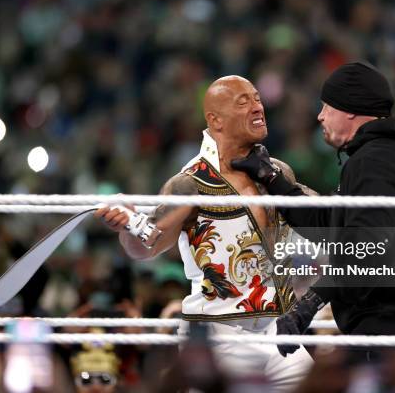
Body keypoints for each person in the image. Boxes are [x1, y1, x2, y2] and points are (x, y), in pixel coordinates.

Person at [231, 62, 395, 383]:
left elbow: (364, 251)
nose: (320, 116)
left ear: (350, 110)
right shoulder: (391, 153)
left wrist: (307, 305)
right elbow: (328, 225)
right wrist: (272, 178)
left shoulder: (373, 161)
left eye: (327, 106)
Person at [95, 75, 315, 392]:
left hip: (278, 330)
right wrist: (126, 225)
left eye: (257, 98)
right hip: (219, 335)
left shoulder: (276, 173)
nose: (258, 107)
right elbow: (145, 247)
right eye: (244, 102)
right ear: (216, 120)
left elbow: (325, 215)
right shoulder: (190, 184)